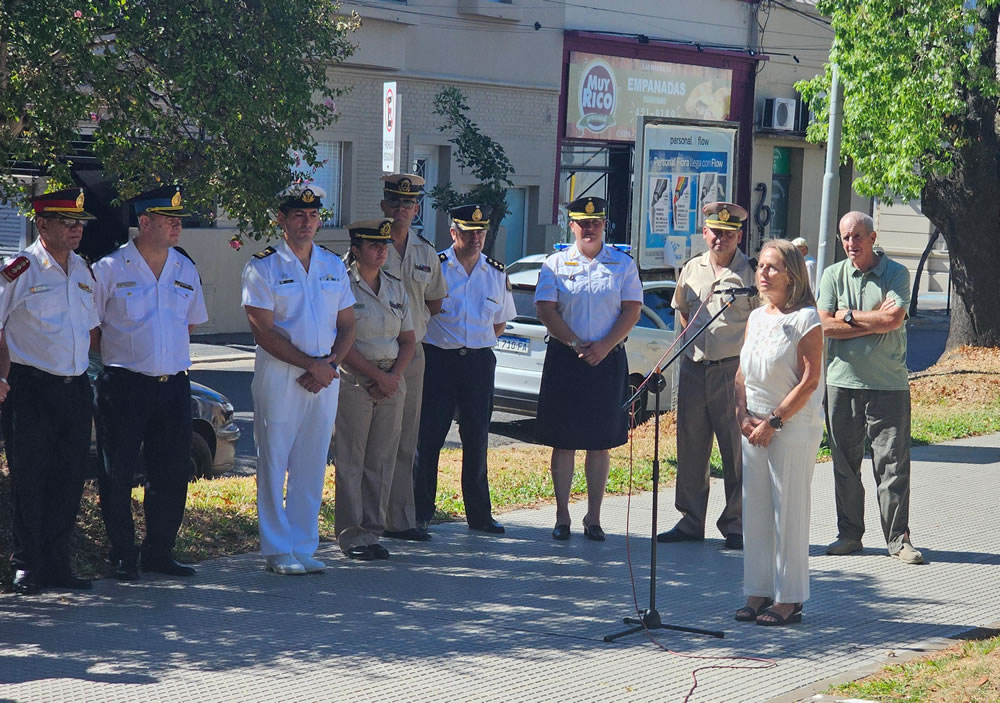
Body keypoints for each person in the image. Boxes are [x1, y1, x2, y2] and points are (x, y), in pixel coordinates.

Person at [93, 185, 208, 580]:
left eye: (179, 220)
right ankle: (122, 553)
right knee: (118, 473)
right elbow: (93, 329)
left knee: (171, 472)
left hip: (172, 384)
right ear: (144, 223)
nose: (178, 226)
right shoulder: (109, 269)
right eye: (169, 219)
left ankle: (159, 552)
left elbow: (188, 324)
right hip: (124, 385)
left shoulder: (184, 267)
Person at [242, 184, 356, 575]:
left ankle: (304, 544)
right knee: (274, 457)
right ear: (281, 220)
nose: (306, 223)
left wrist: (329, 365)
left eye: (312, 216)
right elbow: (263, 331)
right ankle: (277, 549)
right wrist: (313, 365)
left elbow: (347, 324)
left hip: (325, 376)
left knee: (312, 459)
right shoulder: (263, 266)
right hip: (282, 375)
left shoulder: (332, 264)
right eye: (297, 216)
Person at [0, 189, 100, 594]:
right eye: (67, 221)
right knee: (30, 478)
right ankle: (27, 564)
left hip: (75, 387)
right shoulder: (20, 269)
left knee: (69, 478)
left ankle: (59, 563)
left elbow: (90, 330)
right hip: (32, 388)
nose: (76, 229)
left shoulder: (83, 269)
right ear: (42, 225)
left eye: (80, 223)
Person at [818, 211, 923, 564]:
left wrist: (847, 315)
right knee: (844, 463)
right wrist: (871, 321)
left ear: (873, 237)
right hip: (841, 382)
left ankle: (898, 540)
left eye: (857, 236)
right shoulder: (832, 275)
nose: (851, 243)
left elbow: (893, 319)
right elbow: (822, 326)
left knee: (892, 464)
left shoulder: (896, 273)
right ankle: (849, 534)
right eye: (845, 237)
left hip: (887, 384)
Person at [534, 196, 642, 541]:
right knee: (563, 442)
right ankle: (562, 516)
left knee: (600, 442)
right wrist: (574, 343)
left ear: (604, 225)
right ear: (572, 226)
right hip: (567, 358)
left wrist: (605, 345)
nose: (590, 228)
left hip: (607, 358)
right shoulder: (555, 263)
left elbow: (632, 309)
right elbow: (546, 310)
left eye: (596, 223)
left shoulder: (622, 264)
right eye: (583, 223)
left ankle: (593, 518)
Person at [657, 201, 759, 550]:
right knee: (691, 446)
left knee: (736, 450)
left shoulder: (753, 274)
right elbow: (684, 312)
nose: (721, 239)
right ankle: (690, 520)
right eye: (715, 232)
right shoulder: (691, 269)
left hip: (733, 371)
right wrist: (693, 348)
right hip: (694, 368)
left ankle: (736, 523)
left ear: (739, 235)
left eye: (729, 234)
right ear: (705, 233)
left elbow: (761, 323)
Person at [734, 239, 824, 626]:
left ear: (792, 274)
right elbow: (741, 372)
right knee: (754, 510)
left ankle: (789, 598)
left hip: (790, 427)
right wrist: (741, 413)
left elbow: (809, 379)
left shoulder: (806, 319)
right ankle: (758, 590)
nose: (763, 273)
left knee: (787, 511)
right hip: (752, 426)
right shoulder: (756, 317)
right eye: (761, 267)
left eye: (772, 267)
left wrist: (774, 421)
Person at [413, 204, 515, 535]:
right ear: (453, 233)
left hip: (478, 363)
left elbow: (498, 323)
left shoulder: (496, 272)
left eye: (481, 233)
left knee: (477, 439)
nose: (476, 239)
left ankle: (479, 515)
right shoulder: (436, 267)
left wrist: (476, 343)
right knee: (428, 440)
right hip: (439, 361)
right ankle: (420, 511)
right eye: (469, 233)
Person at [332, 219, 415, 561]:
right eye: (373, 245)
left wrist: (393, 376)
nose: (382, 250)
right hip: (355, 378)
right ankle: (351, 535)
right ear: (356, 249)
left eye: (384, 245)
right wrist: (373, 377)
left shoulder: (395, 286)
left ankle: (372, 531)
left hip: (391, 380)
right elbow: (342, 340)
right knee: (351, 458)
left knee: (380, 459)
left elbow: (408, 339)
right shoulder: (341, 285)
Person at [378, 174, 447, 541]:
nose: (402, 210)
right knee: (374, 441)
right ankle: (367, 518)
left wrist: (411, 328)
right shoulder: (367, 246)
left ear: (416, 209)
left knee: (407, 438)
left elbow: (434, 301)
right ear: (384, 206)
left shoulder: (425, 251)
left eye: (408, 204)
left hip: (413, 353)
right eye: (395, 203)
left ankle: (401, 519)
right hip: (373, 354)